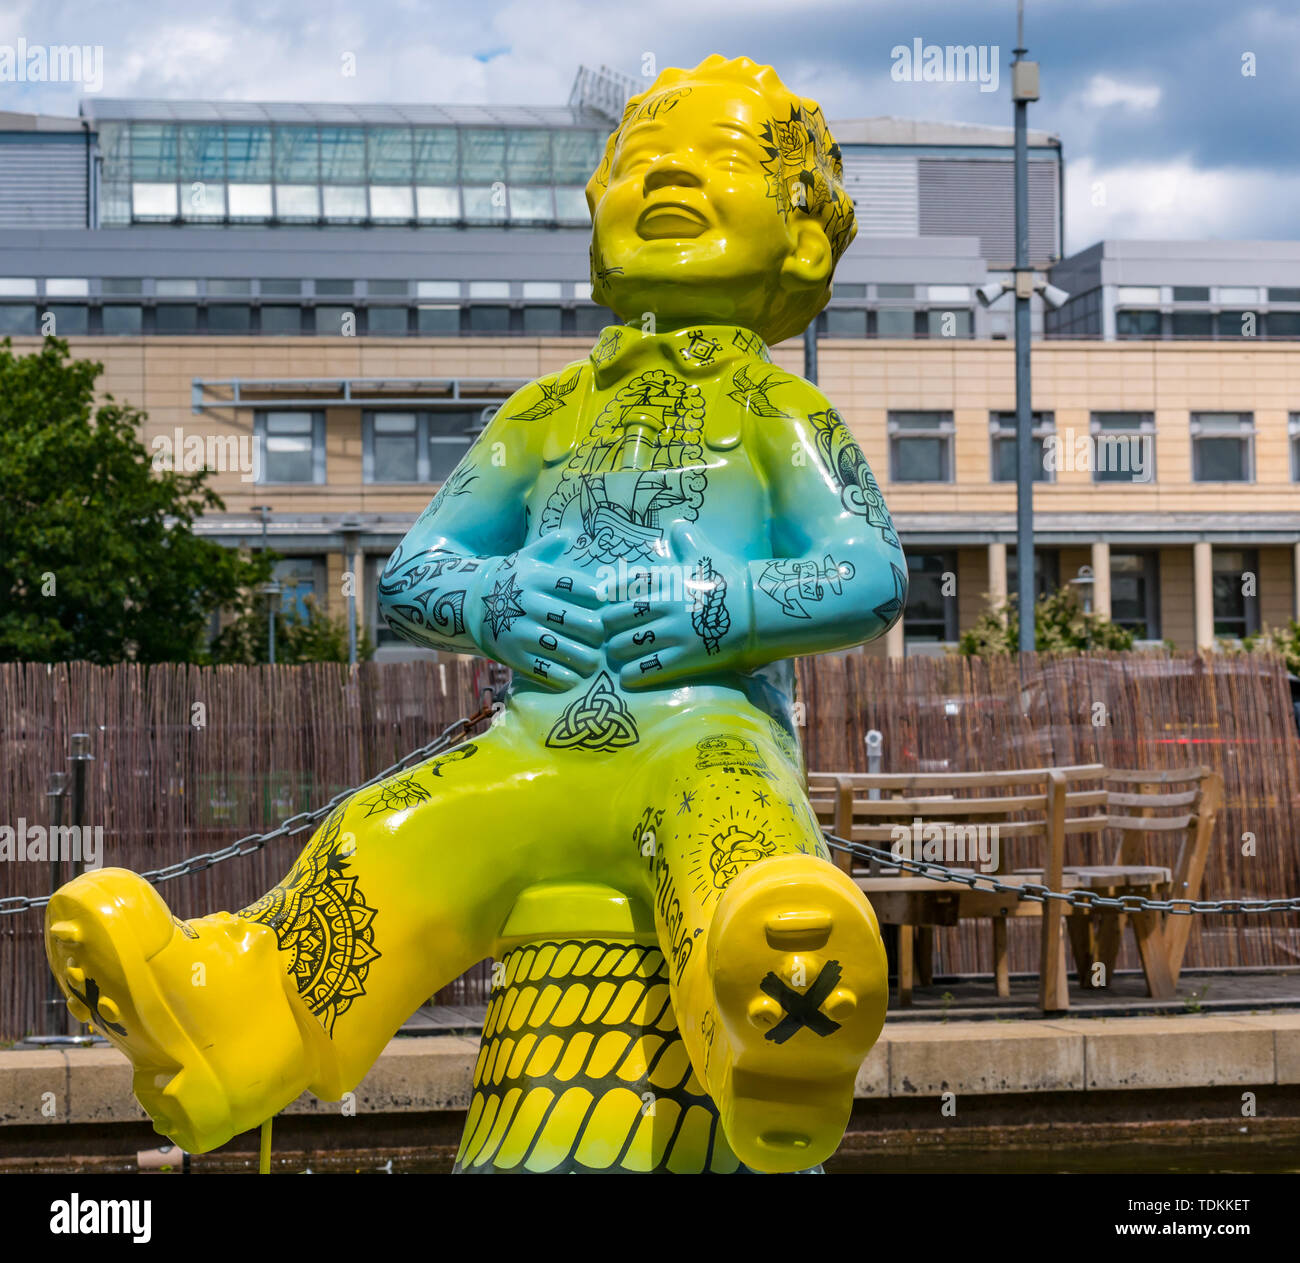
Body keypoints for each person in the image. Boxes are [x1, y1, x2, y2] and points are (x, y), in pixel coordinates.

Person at [46, 54, 907, 1173]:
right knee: (384, 831)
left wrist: (720, 602)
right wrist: (498, 596)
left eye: (718, 157)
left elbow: (870, 568)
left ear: (800, 235)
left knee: (735, 840)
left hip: (706, 732)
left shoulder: (780, 411)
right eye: (642, 158)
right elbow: (413, 571)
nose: (669, 175)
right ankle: (237, 1015)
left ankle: (766, 1027)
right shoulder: (544, 414)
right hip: (527, 753)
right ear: (597, 214)